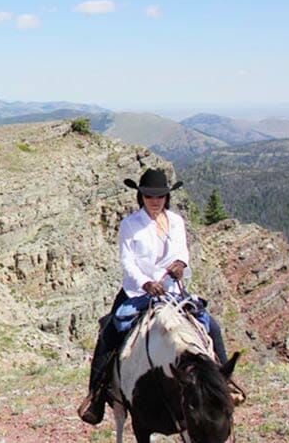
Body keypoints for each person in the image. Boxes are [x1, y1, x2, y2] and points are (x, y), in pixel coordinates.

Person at [77, 168, 232, 425]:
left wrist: (181, 264)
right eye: (150, 195)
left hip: (172, 292)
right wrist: (146, 282)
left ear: (167, 197)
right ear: (141, 197)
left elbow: (182, 250)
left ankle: (225, 384)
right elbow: (128, 262)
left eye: (160, 195)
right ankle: (97, 395)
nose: (155, 200)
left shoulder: (176, 221)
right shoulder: (130, 225)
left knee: (211, 325)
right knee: (109, 333)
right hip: (138, 290)